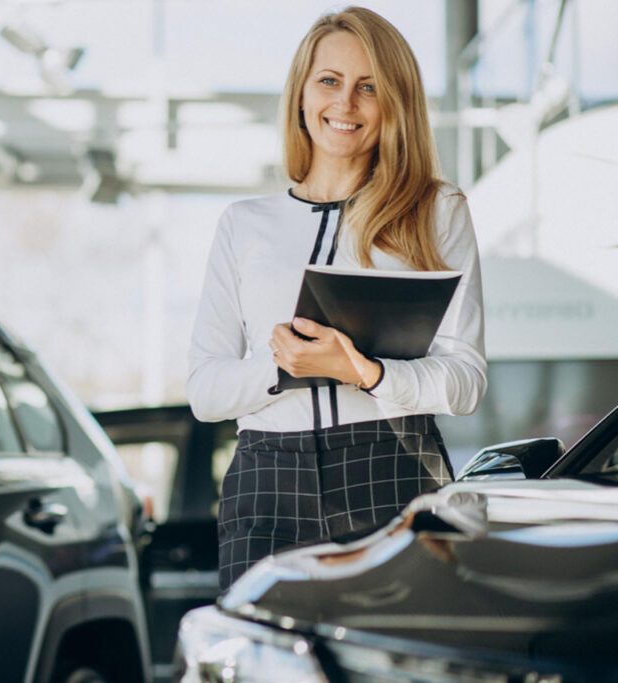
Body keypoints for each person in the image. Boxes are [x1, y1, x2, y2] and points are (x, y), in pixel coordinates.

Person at [187, 6, 486, 590]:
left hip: (394, 465)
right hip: (266, 478)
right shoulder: (245, 223)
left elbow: (466, 381)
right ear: (301, 94)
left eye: (368, 88)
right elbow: (205, 390)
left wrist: (367, 373)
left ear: (394, 105)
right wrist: (283, 366)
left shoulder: (436, 211)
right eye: (329, 81)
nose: (345, 104)